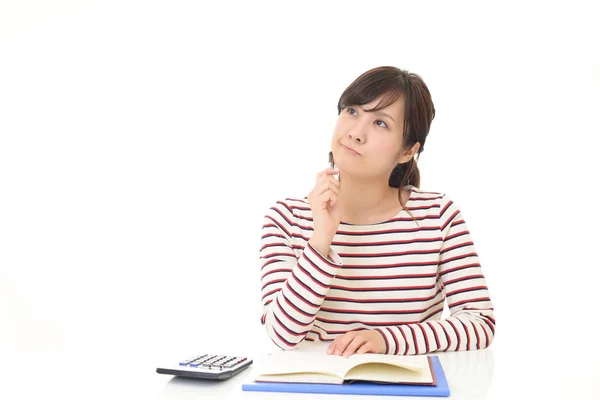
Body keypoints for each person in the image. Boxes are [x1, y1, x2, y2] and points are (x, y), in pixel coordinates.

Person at [259, 66, 495, 357]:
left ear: (407, 150)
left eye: (380, 123)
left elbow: (479, 323)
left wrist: (387, 340)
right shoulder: (286, 219)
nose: (356, 133)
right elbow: (282, 335)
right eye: (352, 111)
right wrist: (321, 240)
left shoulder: (438, 215)